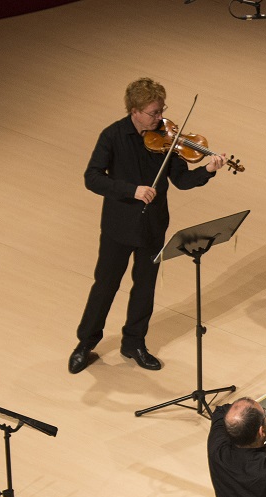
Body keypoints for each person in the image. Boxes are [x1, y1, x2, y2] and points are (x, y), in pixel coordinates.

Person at [69, 77, 226, 374]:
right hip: (119, 226)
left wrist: (207, 170)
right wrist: (132, 190)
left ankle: (134, 343)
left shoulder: (168, 137)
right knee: (106, 286)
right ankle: (85, 343)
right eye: (153, 112)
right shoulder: (113, 136)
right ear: (135, 111)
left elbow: (181, 180)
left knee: (145, 287)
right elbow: (93, 177)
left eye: (161, 110)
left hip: (153, 226)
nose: (160, 118)